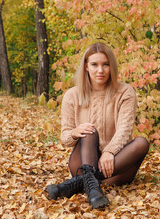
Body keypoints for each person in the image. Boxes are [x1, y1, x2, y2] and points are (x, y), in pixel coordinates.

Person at [45, 42, 149, 209]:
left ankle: (76, 185)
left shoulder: (125, 92)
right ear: (86, 66)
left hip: (116, 165)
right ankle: (92, 188)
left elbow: (125, 129)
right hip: (82, 161)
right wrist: (74, 132)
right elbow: (64, 138)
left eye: (105, 64)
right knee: (89, 131)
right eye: (94, 64)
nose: (100, 70)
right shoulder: (72, 95)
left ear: (111, 66)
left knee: (142, 143)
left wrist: (109, 152)